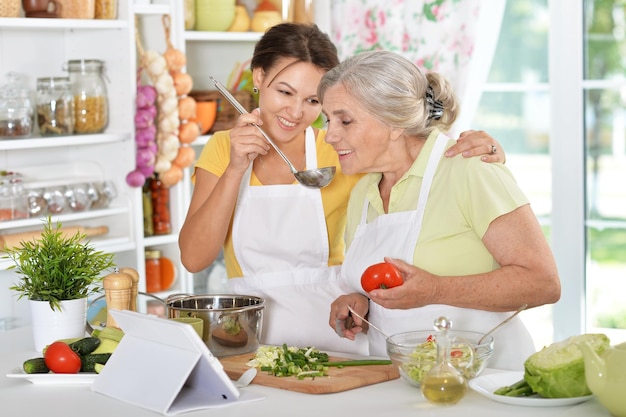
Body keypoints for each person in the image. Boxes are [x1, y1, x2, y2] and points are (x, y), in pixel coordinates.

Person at [179, 23, 507, 354]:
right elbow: (194, 258)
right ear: (259, 77)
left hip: (339, 336)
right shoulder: (225, 148)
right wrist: (236, 167)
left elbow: (408, 153)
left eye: (311, 100)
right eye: (284, 92)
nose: (295, 112)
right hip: (252, 339)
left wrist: (475, 144)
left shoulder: (341, 148)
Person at [321, 50, 560, 369]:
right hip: (402, 383)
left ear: (393, 124)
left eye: (345, 120)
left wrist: (436, 290)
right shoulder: (363, 192)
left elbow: (543, 283)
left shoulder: (469, 168)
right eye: (327, 119)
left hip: (486, 382)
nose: (329, 135)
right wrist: (360, 302)